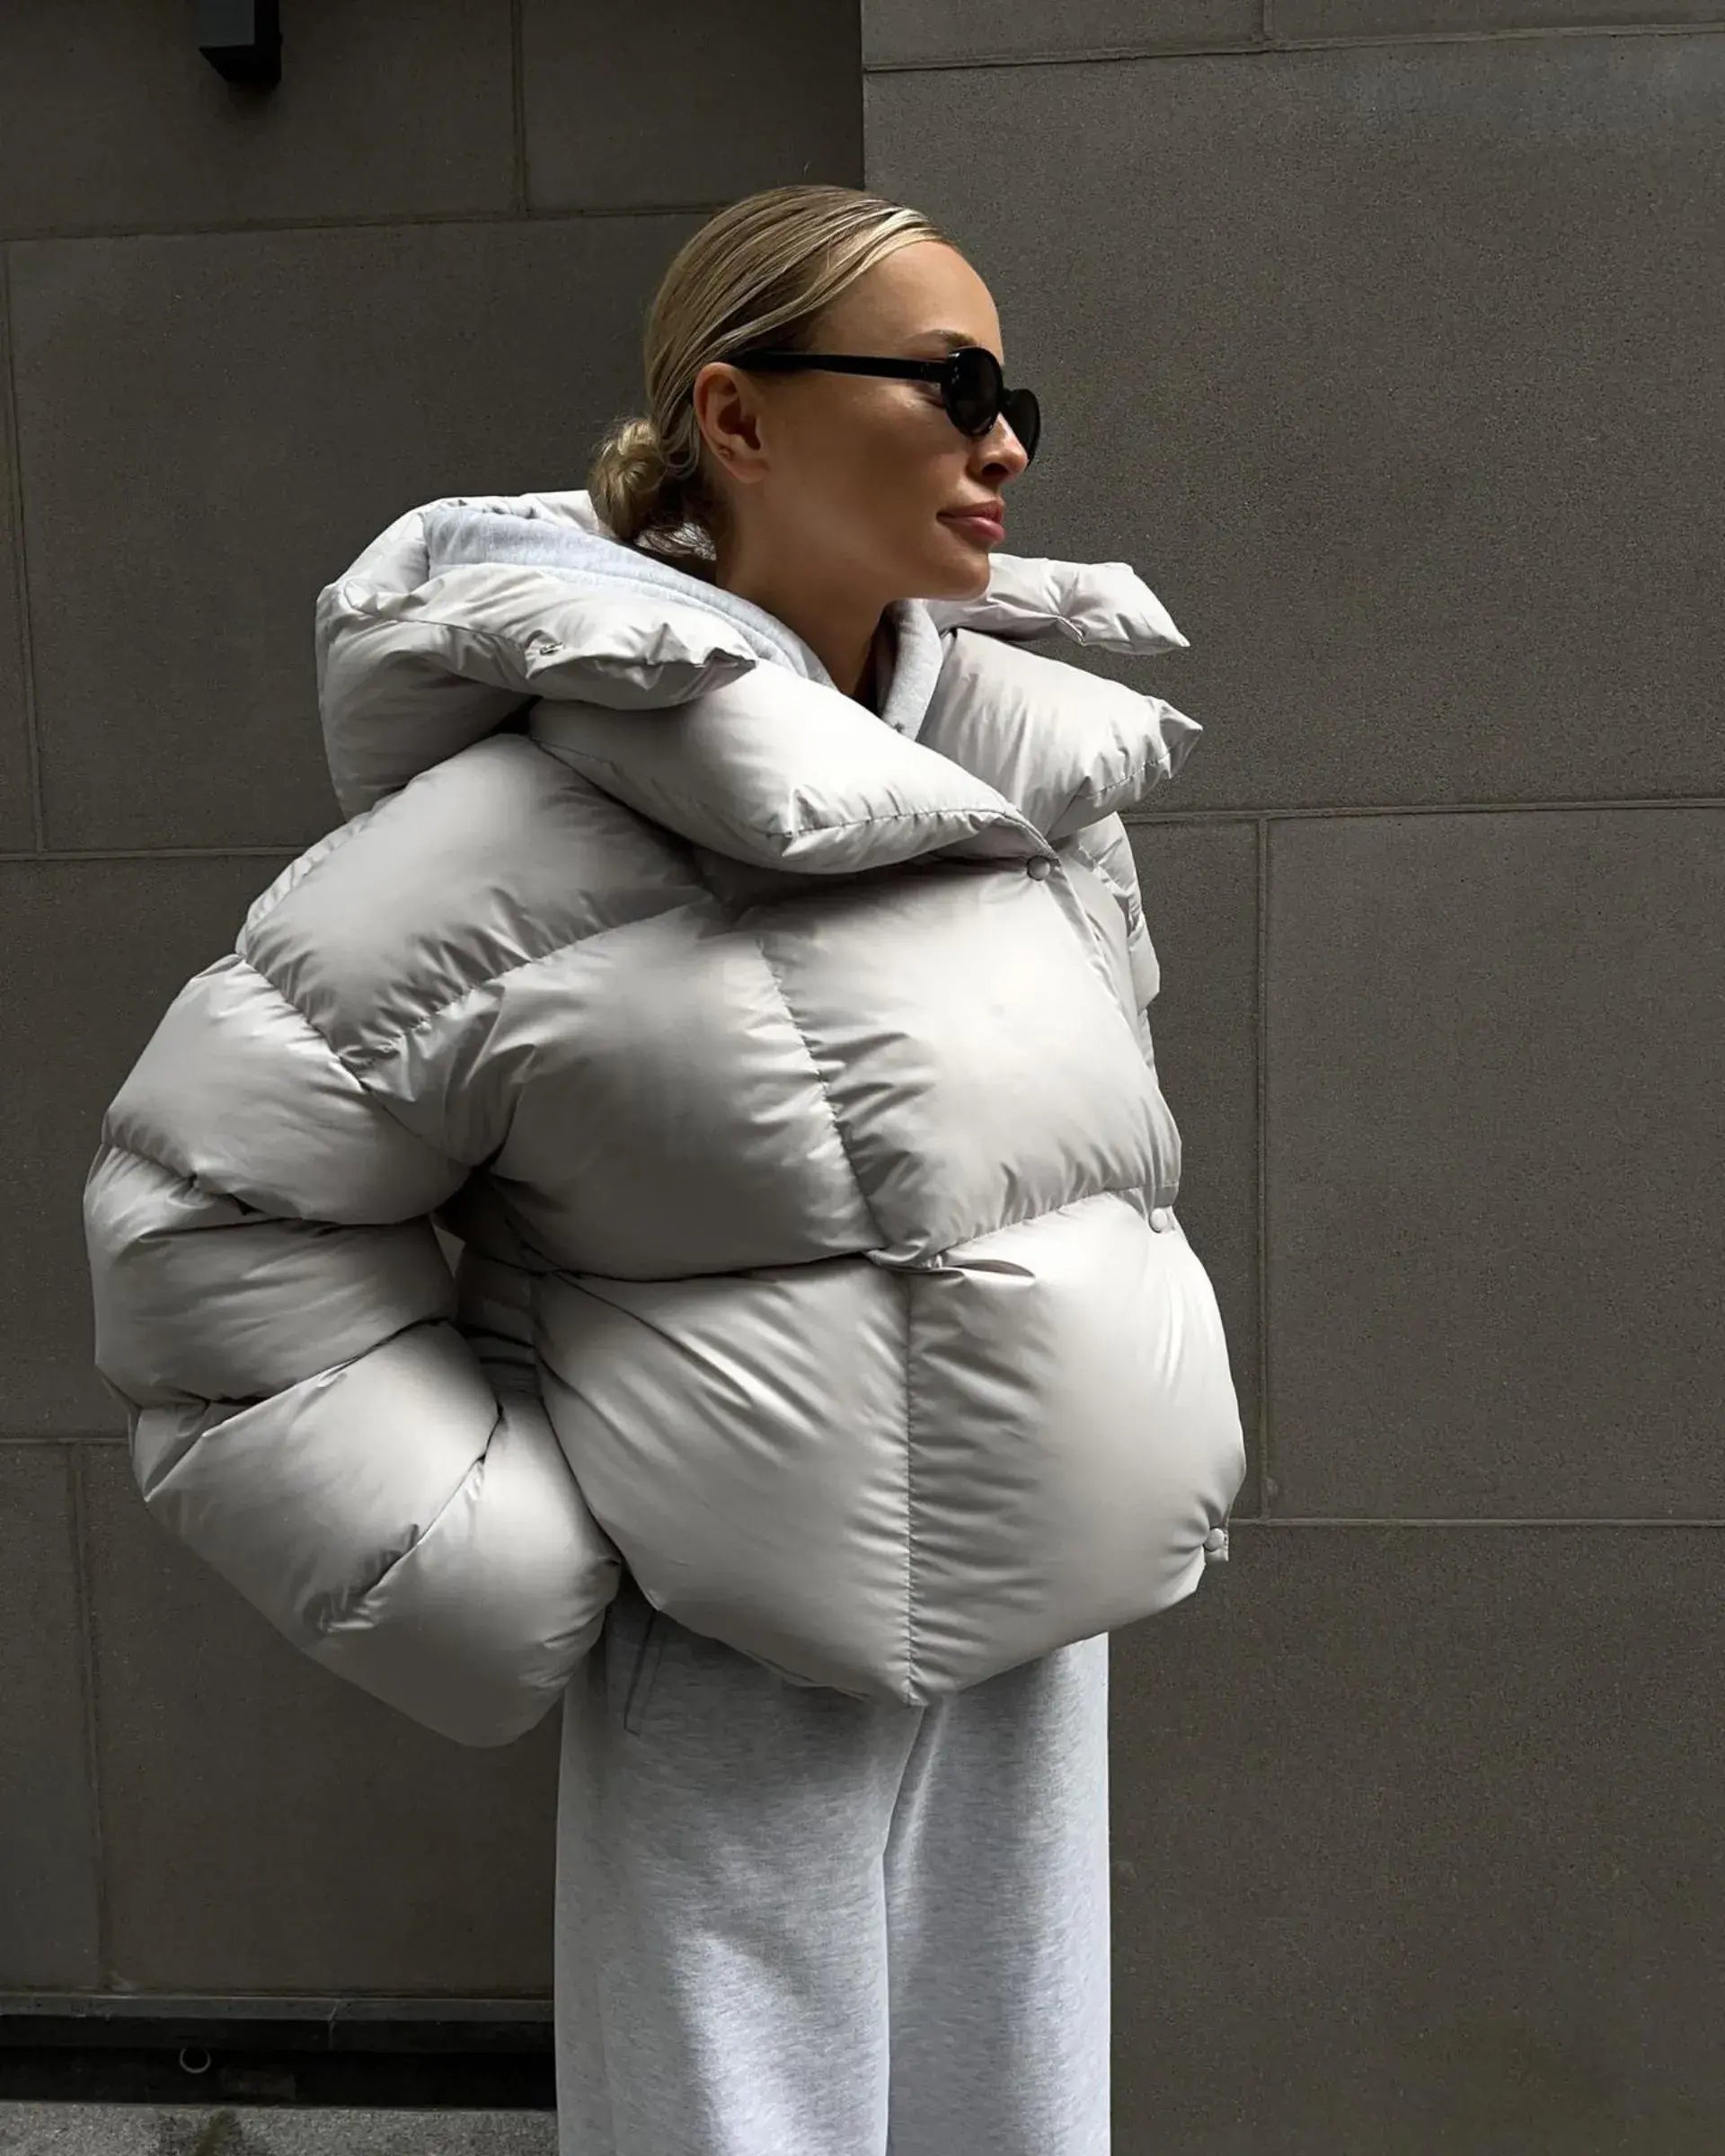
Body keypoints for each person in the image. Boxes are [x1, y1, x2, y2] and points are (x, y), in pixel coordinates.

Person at [83, 182, 1244, 2156]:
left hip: (1041, 1644)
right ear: (739, 413)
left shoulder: (1026, 785)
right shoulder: (503, 841)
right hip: (733, 1648)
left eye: (1014, 388)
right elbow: (209, 1222)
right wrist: (523, 1558)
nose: (1007, 443)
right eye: (949, 381)